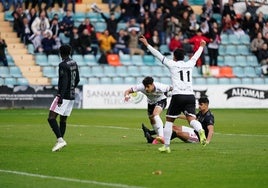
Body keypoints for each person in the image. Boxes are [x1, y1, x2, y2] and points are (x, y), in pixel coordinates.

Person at [139, 35, 207, 153]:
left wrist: (147, 44)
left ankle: (166, 146)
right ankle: (200, 130)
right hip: (190, 96)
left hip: (178, 95)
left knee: (169, 121)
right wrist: (201, 46)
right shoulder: (189, 64)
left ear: (174, 57)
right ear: (183, 57)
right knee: (191, 119)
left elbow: (158, 55)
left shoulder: (172, 64)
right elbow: (196, 56)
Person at [47, 44, 80, 152]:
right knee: (63, 119)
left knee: (51, 118)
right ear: (69, 52)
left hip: (64, 95)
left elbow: (64, 80)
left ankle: (60, 140)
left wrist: (60, 95)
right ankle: (60, 142)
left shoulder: (62, 64)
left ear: (60, 52)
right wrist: (71, 89)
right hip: (71, 95)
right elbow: (77, 79)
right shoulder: (74, 63)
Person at [142, 97, 214, 144]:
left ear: (206, 105)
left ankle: (153, 140)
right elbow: (190, 118)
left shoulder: (209, 116)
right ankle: (150, 132)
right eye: (199, 104)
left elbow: (210, 130)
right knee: (173, 127)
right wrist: (178, 116)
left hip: (198, 138)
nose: (199, 106)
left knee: (177, 133)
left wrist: (207, 141)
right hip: (194, 131)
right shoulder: (201, 113)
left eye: (201, 104)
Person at [124, 76, 173, 144]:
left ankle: (161, 136)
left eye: (148, 86)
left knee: (155, 114)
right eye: (145, 87)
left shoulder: (161, 87)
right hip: (151, 102)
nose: (146, 89)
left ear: (152, 84)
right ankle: (159, 136)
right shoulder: (140, 87)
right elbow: (127, 91)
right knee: (151, 118)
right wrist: (126, 96)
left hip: (161, 100)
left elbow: (172, 88)